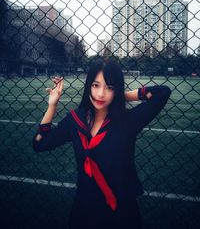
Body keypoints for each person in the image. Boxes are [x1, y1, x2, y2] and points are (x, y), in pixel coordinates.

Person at [33, 58, 171, 229]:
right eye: (96, 85)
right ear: (89, 86)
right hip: (84, 207)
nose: (100, 94)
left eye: (109, 87)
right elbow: (40, 143)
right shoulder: (75, 120)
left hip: (122, 211)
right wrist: (52, 105)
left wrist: (120, 96)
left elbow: (162, 93)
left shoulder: (127, 121)